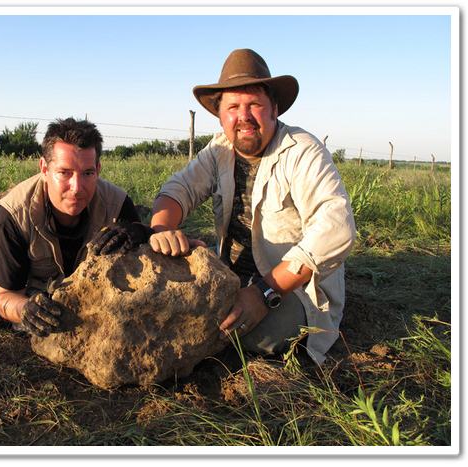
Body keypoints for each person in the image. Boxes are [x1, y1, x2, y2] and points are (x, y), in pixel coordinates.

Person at [149, 49, 356, 364]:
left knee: (248, 332)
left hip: (290, 287)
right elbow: (179, 189)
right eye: (233, 107)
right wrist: (162, 229)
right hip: (231, 274)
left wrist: (264, 292)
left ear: (274, 109)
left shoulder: (302, 151)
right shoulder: (219, 150)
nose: (243, 116)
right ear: (221, 115)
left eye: (254, 105)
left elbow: (337, 228)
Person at [0, 117, 152, 337]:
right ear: (44, 168)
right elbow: (3, 297)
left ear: (98, 169)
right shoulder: (13, 215)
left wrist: (141, 232)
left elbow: (150, 260)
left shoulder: (117, 203)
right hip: (42, 299)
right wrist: (25, 309)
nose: (76, 188)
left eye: (87, 173)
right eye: (64, 173)